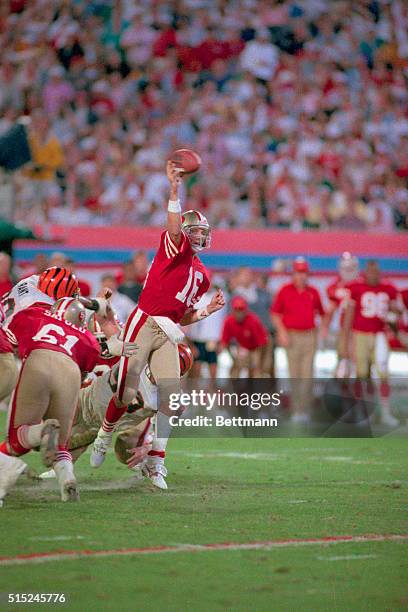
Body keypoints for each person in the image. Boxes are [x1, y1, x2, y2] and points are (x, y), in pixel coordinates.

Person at [90, 160, 225, 470]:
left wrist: (207, 310)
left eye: (204, 232)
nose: (201, 237)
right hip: (144, 320)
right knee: (125, 391)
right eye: (196, 232)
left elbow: (184, 315)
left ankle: (156, 460)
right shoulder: (173, 247)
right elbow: (174, 227)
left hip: (167, 329)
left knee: (171, 395)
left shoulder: (202, 275)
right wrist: (174, 190)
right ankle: (103, 435)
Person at [0, 298, 101, 506]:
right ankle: (67, 481)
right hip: (71, 372)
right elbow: (84, 374)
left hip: (40, 359)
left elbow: (11, 342)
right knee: (61, 444)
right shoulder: (88, 339)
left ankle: (42, 432)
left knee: (17, 438)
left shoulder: (34, 315)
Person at [343, 261, 401, 426]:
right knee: (361, 374)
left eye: (376, 272)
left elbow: (396, 311)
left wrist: (393, 316)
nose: (373, 275)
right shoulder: (355, 288)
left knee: (383, 373)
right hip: (359, 334)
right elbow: (349, 314)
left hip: (380, 334)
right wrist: (346, 339)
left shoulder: (388, 289)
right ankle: (362, 412)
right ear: (365, 273)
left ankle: (385, 413)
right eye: (370, 272)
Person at [271, 258, 326, 422]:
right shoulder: (285, 290)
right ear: (293, 274)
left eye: (304, 273)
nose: (301, 276)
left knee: (307, 373)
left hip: (309, 336)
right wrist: (282, 332)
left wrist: (322, 333)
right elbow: (275, 314)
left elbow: (322, 314)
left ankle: (305, 409)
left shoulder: (313, 292)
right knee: (294, 374)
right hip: (292, 336)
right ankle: (296, 410)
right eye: (298, 273)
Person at [326, 252, 360, 378]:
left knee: (358, 360)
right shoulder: (335, 286)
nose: (349, 271)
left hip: (360, 329)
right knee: (343, 357)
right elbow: (330, 309)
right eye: (346, 268)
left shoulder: (362, 283)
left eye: (351, 268)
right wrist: (325, 328)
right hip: (343, 329)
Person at [220, 295, 268, 377]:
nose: (239, 313)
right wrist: (233, 359)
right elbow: (225, 342)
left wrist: (257, 362)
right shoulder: (229, 321)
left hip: (258, 346)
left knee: (259, 369)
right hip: (243, 347)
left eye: (241, 310)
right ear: (233, 310)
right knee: (236, 368)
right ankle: (234, 388)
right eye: (236, 310)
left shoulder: (252, 320)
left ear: (245, 310)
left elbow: (261, 343)